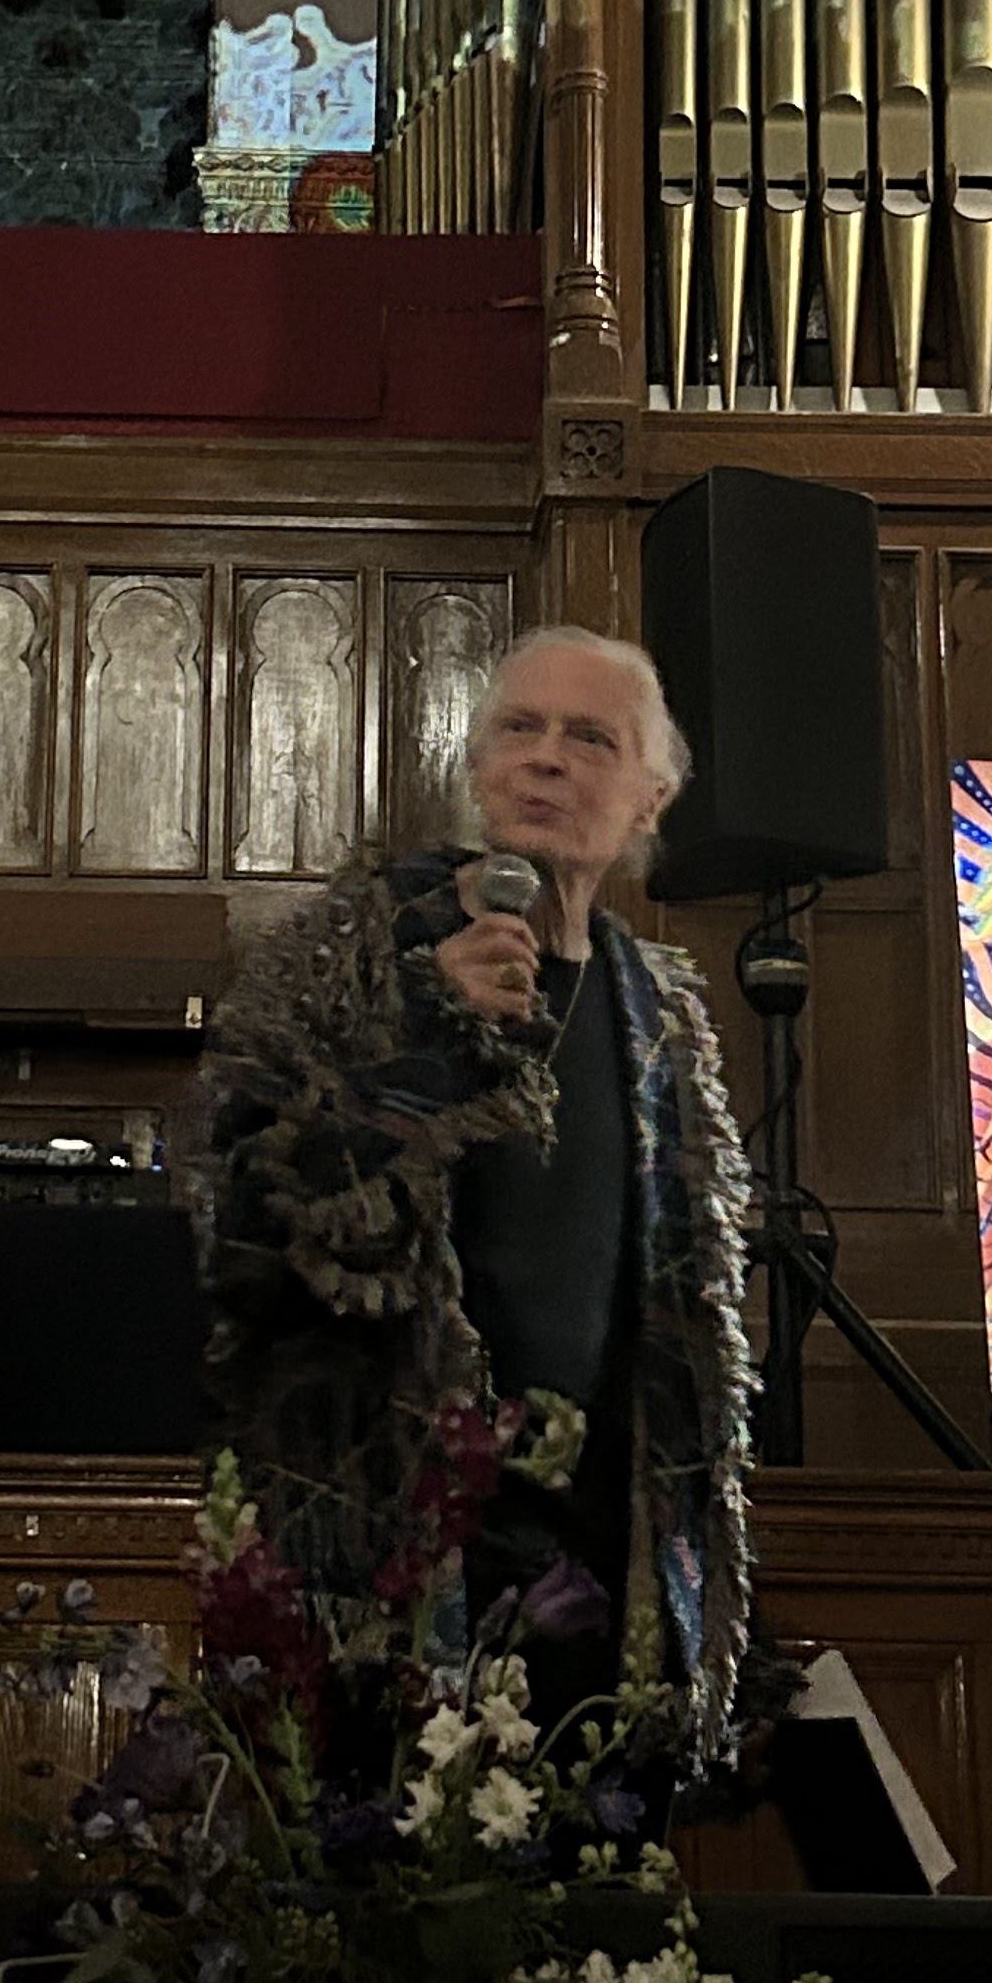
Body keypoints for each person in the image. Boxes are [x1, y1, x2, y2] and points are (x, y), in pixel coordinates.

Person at [196, 625, 756, 1760]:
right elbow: (244, 1236)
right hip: (379, 1555)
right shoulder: (348, 952)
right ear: (479, 766)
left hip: (594, 1563)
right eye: (518, 728)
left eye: (588, 738)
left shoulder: (663, 1017)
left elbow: (690, 1325)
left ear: (649, 800)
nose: (545, 757)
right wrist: (425, 1044)